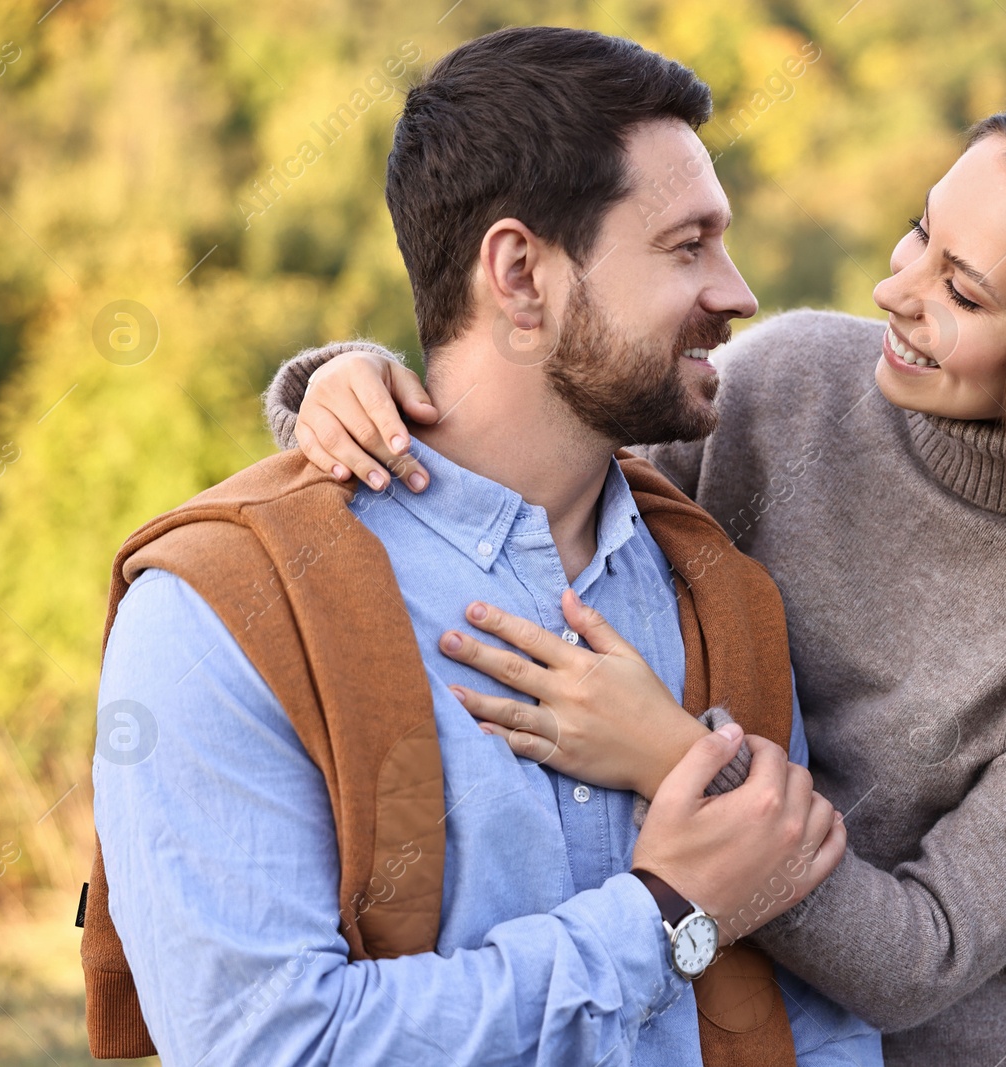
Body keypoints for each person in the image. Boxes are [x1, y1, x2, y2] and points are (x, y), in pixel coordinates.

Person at [268, 83, 1006, 1065]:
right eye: (918, 234)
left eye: (961, 291)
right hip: (721, 1017)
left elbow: (919, 957)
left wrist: (672, 758)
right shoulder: (788, 388)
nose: (894, 290)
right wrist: (354, 391)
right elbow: (549, 496)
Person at [88, 26, 883, 1067]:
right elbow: (271, 1043)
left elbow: (819, 1017)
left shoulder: (721, 591)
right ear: (519, 275)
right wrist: (655, 916)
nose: (737, 293)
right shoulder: (222, 611)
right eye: (686, 246)